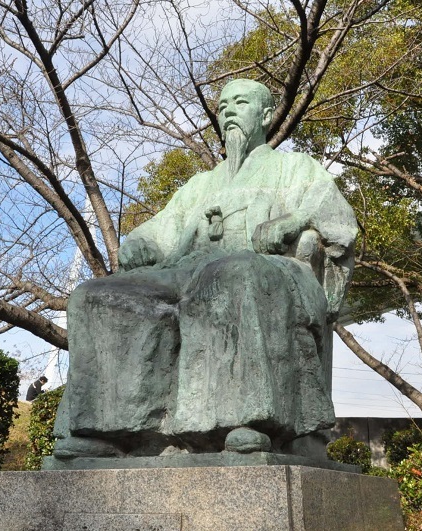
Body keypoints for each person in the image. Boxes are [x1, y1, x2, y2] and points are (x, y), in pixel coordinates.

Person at [51, 79, 357, 460]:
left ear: (265, 114)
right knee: (99, 296)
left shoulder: (295, 167)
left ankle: (246, 421)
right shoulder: (200, 185)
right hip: (187, 268)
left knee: (232, 275)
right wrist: (142, 242)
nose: (227, 111)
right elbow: (165, 226)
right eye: (223, 105)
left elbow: (336, 217)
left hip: (270, 268)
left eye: (239, 103)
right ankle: (107, 431)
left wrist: (293, 220)